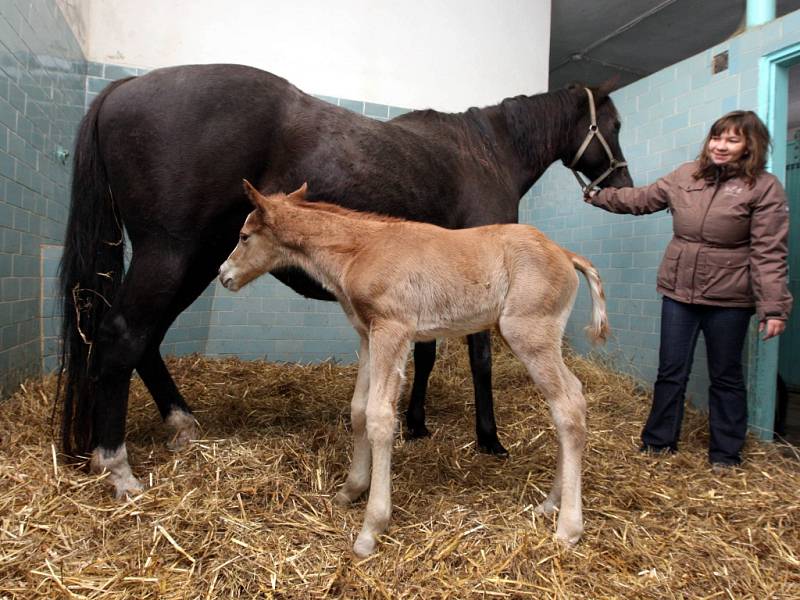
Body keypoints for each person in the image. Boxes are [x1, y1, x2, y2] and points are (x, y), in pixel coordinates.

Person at [584, 110, 792, 468]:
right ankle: (657, 444)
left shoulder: (764, 187)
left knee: (726, 376)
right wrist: (599, 196)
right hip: (679, 292)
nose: (721, 146)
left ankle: (726, 455)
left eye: (732, 139)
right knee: (671, 370)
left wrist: (774, 308)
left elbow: (769, 251)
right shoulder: (686, 175)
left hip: (730, 299)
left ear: (749, 146)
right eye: (717, 137)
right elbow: (641, 199)